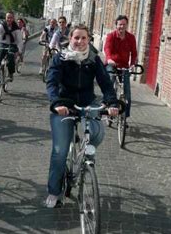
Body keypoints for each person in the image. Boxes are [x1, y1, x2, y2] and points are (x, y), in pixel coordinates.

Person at [45, 24, 119, 208]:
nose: (80, 41)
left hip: (87, 102)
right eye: (76, 38)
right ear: (70, 38)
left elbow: (105, 83)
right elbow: (52, 82)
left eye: (83, 38)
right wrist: (56, 102)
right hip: (65, 104)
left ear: (88, 40)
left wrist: (112, 102)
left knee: (97, 133)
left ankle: (86, 168)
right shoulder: (60, 58)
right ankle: (54, 192)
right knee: (60, 151)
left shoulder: (93, 59)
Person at [103, 15, 138, 119]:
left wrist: (132, 64)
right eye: (119, 25)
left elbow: (134, 53)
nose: (121, 27)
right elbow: (107, 49)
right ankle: (108, 106)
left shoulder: (131, 37)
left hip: (124, 66)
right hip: (111, 64)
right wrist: (109, 58)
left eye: (124, 24)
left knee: (127, 92)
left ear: (127, 25)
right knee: (110, 82)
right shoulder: (111, 36)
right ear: (116, 25)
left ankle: (124, 118)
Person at [0, 11, 23, 82]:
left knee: (11, 57)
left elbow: (20, 41)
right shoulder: (2, 26)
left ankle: (10, 74)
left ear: (13, 19)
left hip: (12, 45)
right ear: (5, 18)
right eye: (8, 18)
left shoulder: (16, 28)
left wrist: (19, 51)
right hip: (2, 44)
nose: (9, 19)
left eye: (11, 18)